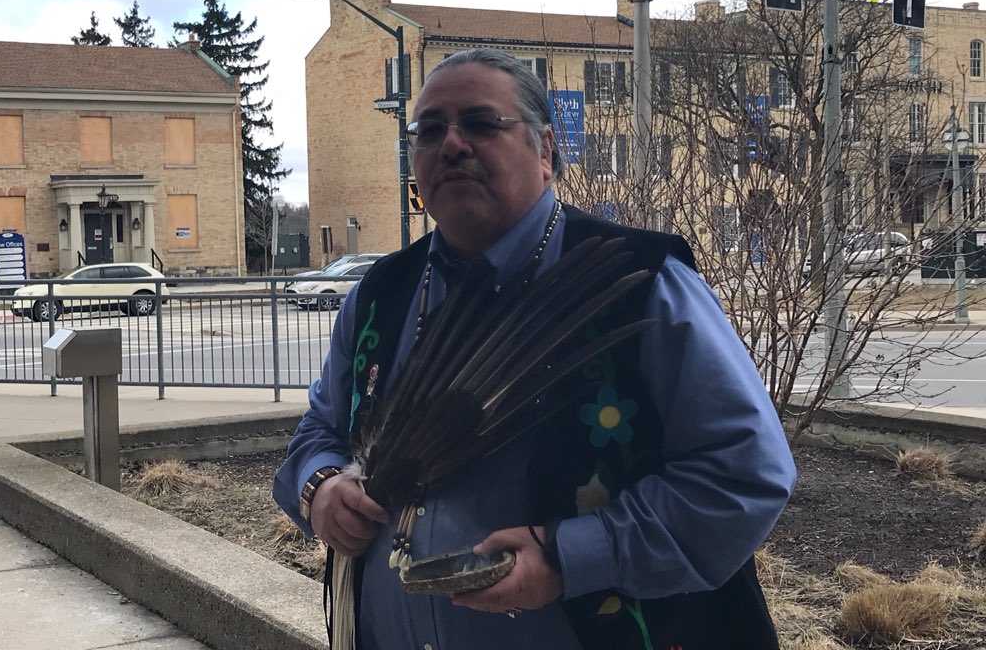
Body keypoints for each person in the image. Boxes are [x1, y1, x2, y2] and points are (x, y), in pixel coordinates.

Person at [274, 48, 797, 650]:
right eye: (430, 130)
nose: (450, 144)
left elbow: (745, 475)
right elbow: (320, 428)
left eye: (480, 123)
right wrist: (319, 489)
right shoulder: (381, 293)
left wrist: (566, 558)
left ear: (546, 152)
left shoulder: (637, 283)